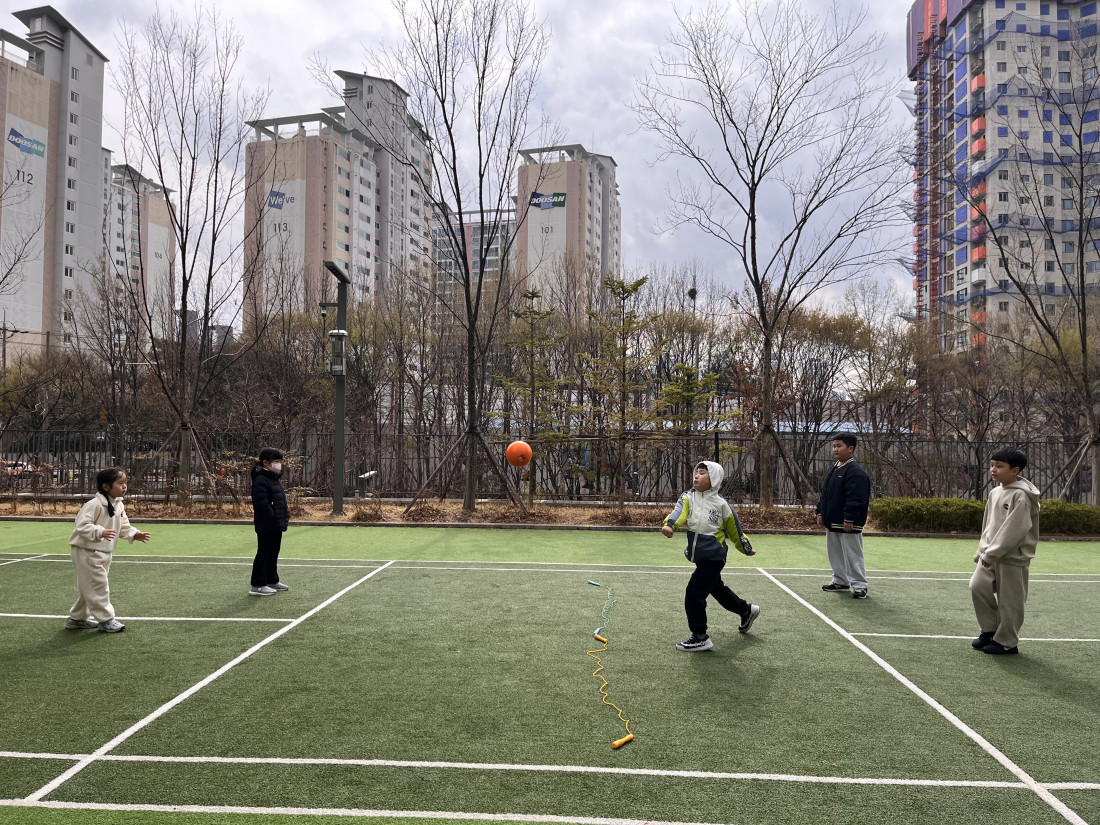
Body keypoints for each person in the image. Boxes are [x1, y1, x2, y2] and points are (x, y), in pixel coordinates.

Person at [661, 460, 759, 652]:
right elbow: (679, 512)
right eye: (696, 472)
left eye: (702, 473)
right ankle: (746, 610)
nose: (697, 476)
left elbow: (735, 531)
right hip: (700, 558)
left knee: (694, 594)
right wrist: (670, 525)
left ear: (713, 478)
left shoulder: (722, 505)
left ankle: (700, 637)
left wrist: (746, 548)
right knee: (716, 588)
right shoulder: (688, 497)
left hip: (714, 558)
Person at [970, 448, 1040, 656]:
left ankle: (1007, 642)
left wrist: (991, 554)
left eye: (999, 466)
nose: (993, 470)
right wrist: (982, 551)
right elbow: (989, 526)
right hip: (990, 555)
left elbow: (1014, 530)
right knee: (977, 586)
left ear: (1015, 470)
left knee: (1010, 602)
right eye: (992, 465)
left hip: (1013, 558)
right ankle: (990, 631)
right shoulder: (995, 492)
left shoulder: (1021, 495)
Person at [67, 468, 151, 633]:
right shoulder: (94, 504)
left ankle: (77, 618)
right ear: (106, 486)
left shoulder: (118, 504)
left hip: (103, 552)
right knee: (98, 586)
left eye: (125, 483)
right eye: (120, 483)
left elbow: (123, 526)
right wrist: (100, 531)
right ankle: (106, 619)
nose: (124, 486)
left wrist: (134, 534)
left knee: (88, 586)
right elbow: (82, 526)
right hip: (87, 551)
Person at [817, 433, 872, 599]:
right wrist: (820, 512)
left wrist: (850, 518)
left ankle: (860, 585)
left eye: (839, 446)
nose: (835, 449)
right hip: (832, 521)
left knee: (853, 555)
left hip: (848, 523)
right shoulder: (834, 468)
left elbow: (857, 498)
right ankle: (840, 581)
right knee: (835, 554)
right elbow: (825, 494)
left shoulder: (855, 471)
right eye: (834, 446)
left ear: (850, 448)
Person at [250, 448, 290, 596]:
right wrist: (272, 516)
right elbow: (261, 503)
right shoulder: (261, 480)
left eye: (280, 461)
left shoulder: (274, 478)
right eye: (276, 461)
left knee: (273, 553)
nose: (279, 464)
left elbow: (280, 500)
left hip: (276, 523)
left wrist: (284, 515)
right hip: (266, 524)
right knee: (264, 553)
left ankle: (272, 580)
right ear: (266, 463)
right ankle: (258, 584)